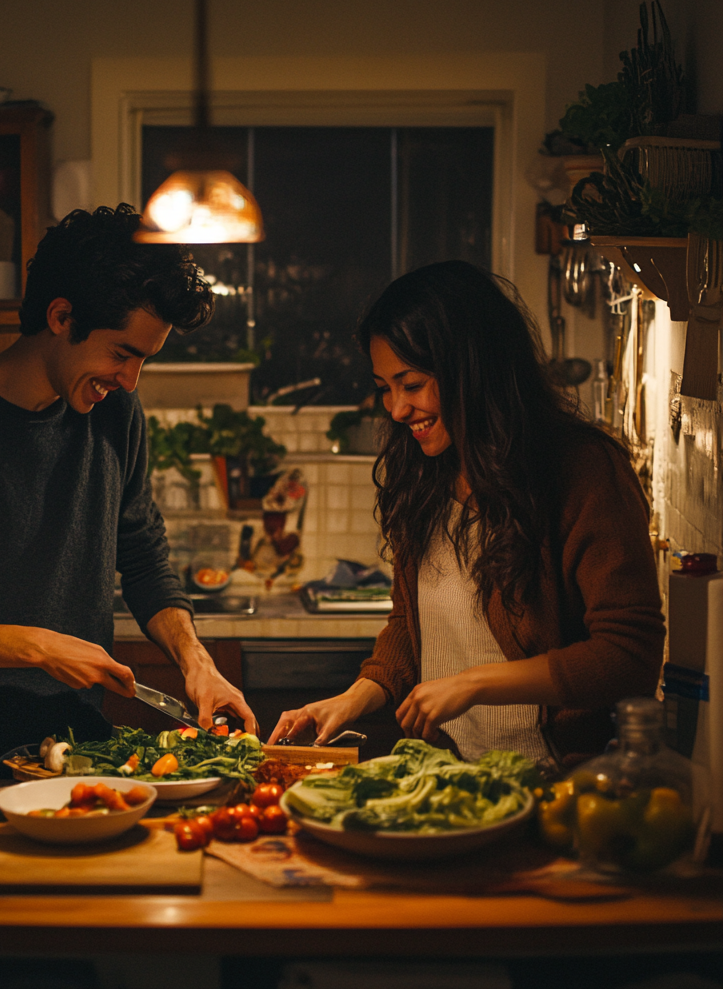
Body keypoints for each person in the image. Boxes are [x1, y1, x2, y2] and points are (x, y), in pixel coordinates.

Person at [0, 204, 257, 769]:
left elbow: (143, 556)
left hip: (82, 749)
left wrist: (197, 664)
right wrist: (34, 647)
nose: (130, 382)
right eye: (122, 353)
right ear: (61, 317)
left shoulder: (115, 415)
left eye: (144, 362)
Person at [269, 260, 664, 769]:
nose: (395, 408)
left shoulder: (581, 469)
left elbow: (627, 656)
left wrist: (473, 683)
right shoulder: (425, 472)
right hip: (448, 773)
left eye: (411, 384)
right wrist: (353, 699)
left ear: (472, 368)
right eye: (385, 387)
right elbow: (410, 627)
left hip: (558, 781)